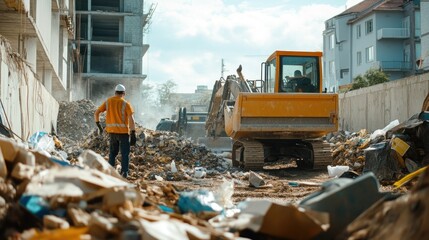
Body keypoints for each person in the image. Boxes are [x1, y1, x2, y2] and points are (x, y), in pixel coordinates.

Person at [94, 84, 137, 178]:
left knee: (112, 153)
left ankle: (110, 173)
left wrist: (99, 125)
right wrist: (133, 132)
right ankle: (124, 172)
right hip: (124, 133)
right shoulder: (126, 104)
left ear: (115, 92)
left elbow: (97, 113)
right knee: (125, 153)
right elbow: (131, 119)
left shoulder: (108, 102)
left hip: (112, 132)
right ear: (124, 93)